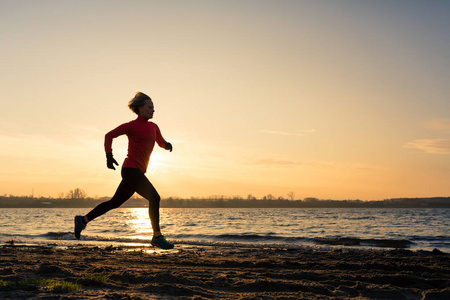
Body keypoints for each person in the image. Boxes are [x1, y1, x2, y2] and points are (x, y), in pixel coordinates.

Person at [74, 92, 174, 249]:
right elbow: (109, 136)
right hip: (130, 170)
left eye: (153, 107)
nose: (153, 110)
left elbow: (160, 141)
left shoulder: (154, 127)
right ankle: (157, 236)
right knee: (154, 197)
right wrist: (109, 155)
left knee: (115, 202)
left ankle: (83, 220)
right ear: (140, 109)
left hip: (137, 172)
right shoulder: (131, 126)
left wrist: (166, 145)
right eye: (150, 107)